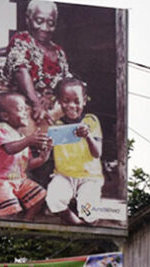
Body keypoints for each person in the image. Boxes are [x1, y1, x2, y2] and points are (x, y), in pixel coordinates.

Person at [0, 0, 71, 126]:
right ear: (28, 19)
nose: (45, 28)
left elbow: (64, 80)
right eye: (39, 21)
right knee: (21, 108)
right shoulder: (21, 40)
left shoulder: (59, 52)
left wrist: (50, 97)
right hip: (16, 100)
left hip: (44, 105)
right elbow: (21, 71)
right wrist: (36, 103)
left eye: (51, 23)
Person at [45, 77, 104, 225]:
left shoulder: (91, 121)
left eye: (76, 101)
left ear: (84, 101)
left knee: (89, 210)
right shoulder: (55, 126)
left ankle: (89, 219)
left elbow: (97, 153)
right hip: (64, 176)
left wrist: (88, 136)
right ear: (58, 101)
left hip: (89, 177)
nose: (71, 106)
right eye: (66, 101)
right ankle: (76, 223)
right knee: (53, 198)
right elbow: (46, 153)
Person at [0, 92, 52, 220]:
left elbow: (27, 164)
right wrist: (29, 140)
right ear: (5, 116)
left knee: (40, 195)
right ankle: (4, 231)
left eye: (26, 109)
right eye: (20, 109)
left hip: (20, 180)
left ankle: (27, 221)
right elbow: (9, 149)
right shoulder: (3, 129)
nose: (25, 113)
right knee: (12, 208)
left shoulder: (22, 137)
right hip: (1, 181)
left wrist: (42, 158)